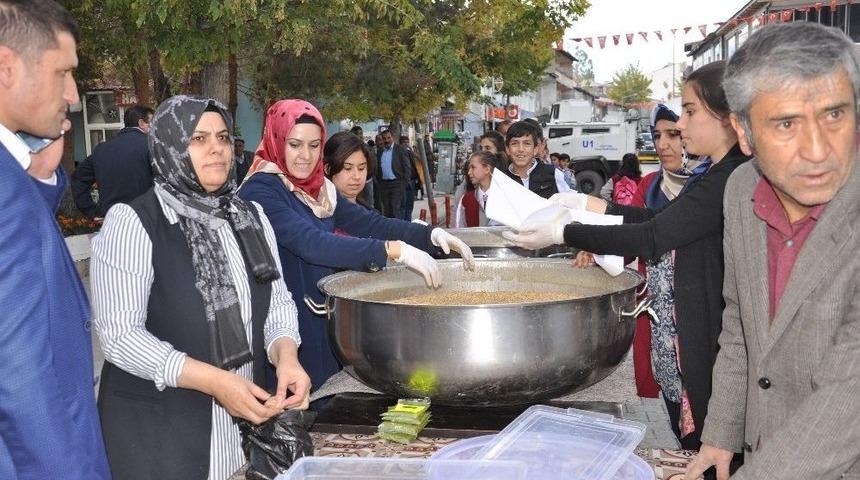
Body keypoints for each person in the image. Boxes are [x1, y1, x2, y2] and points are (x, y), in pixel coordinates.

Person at [505, 61, 751, 463]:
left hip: (708, 355)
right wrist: (592, 205)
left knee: (711, 458)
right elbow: (657, 220)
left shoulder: (730, 178)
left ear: (726, 114)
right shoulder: (710, 176)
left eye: (689, 112)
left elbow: (653, 236)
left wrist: (565, 233)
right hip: (682, 356)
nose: (682, 128)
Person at [92, 96, 310, 480]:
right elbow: (120, 336)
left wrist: (286, 355)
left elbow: (276, 301)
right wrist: (215, 381)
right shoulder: (133, 222)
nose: (216, 148)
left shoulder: (248, 216)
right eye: (198, 138)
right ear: (169, 147)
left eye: (223, 137)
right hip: (163, 429)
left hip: (241, 420)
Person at [685, 23, 860, 480]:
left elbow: (850, 394)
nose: (819, 150)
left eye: (835, 115)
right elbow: (741, 323)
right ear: (743, 133)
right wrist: (721, 433)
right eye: (787, 123)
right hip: (765, 448)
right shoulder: (741, 190)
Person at [238, 99, 474, 397]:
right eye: (295, 144)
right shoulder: (261, 189)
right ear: (276, 139)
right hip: (283, 331)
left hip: (321, 318)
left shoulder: (318, 188)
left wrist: (429, 236)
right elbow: (310, 242)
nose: (305, 156)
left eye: (314, 146)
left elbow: (372, 224)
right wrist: (391, 251)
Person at [0, 1, 111, 478]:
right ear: (7, 67)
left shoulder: (13, 179)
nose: (72, 95)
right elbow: (20, 377)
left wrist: (40, 173)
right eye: (62, 73)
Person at [71, 104, 154, 218]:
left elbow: (78, 179)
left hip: (111, 221)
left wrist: (91, 211)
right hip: (147, 220)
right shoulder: (151, 146)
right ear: (141, 123)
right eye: (152, 123)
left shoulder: (102, 149)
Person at [503, 120, 572, 199]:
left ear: (535, 149)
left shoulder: (553, 174)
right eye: (514, 143)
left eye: (527, 143)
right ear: (507, 149)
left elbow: (571, 203)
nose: (521, 149)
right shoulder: (501, 179)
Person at [324, 130, 374, 209]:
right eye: (348, 168)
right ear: (328, 169)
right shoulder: (321, 214)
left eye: (361, 168)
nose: (357, 176)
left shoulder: (368, 210)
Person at [454, 150, 498, 227]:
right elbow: (459, 229)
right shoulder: (466, 199)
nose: (469, 172)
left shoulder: (504, 197)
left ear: (487, 169)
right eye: (469, 168)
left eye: (473, 167)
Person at [375, 129, 411, 217]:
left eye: (388, 138)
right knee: (386, 210)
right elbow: (378, 167)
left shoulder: (400, 150)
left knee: (395, 209)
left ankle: (397, 230)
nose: (387, 140)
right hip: (384, 185)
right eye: (384, 138)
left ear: (392, 138)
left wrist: (404, 184)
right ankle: (389, 230)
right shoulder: (380, 151)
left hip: (397, 184)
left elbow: (407, 167)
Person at [399, 135, 419, 220]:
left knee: (410, 204)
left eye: (407, 142)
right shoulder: (398, 153)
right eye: (404, 143)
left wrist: (411, 151)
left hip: (411, 181)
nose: (406, 144)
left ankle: (408, 222)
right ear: (400, 144)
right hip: (403, 182)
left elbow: (419, 159)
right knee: (403, 205)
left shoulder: (409, 153)